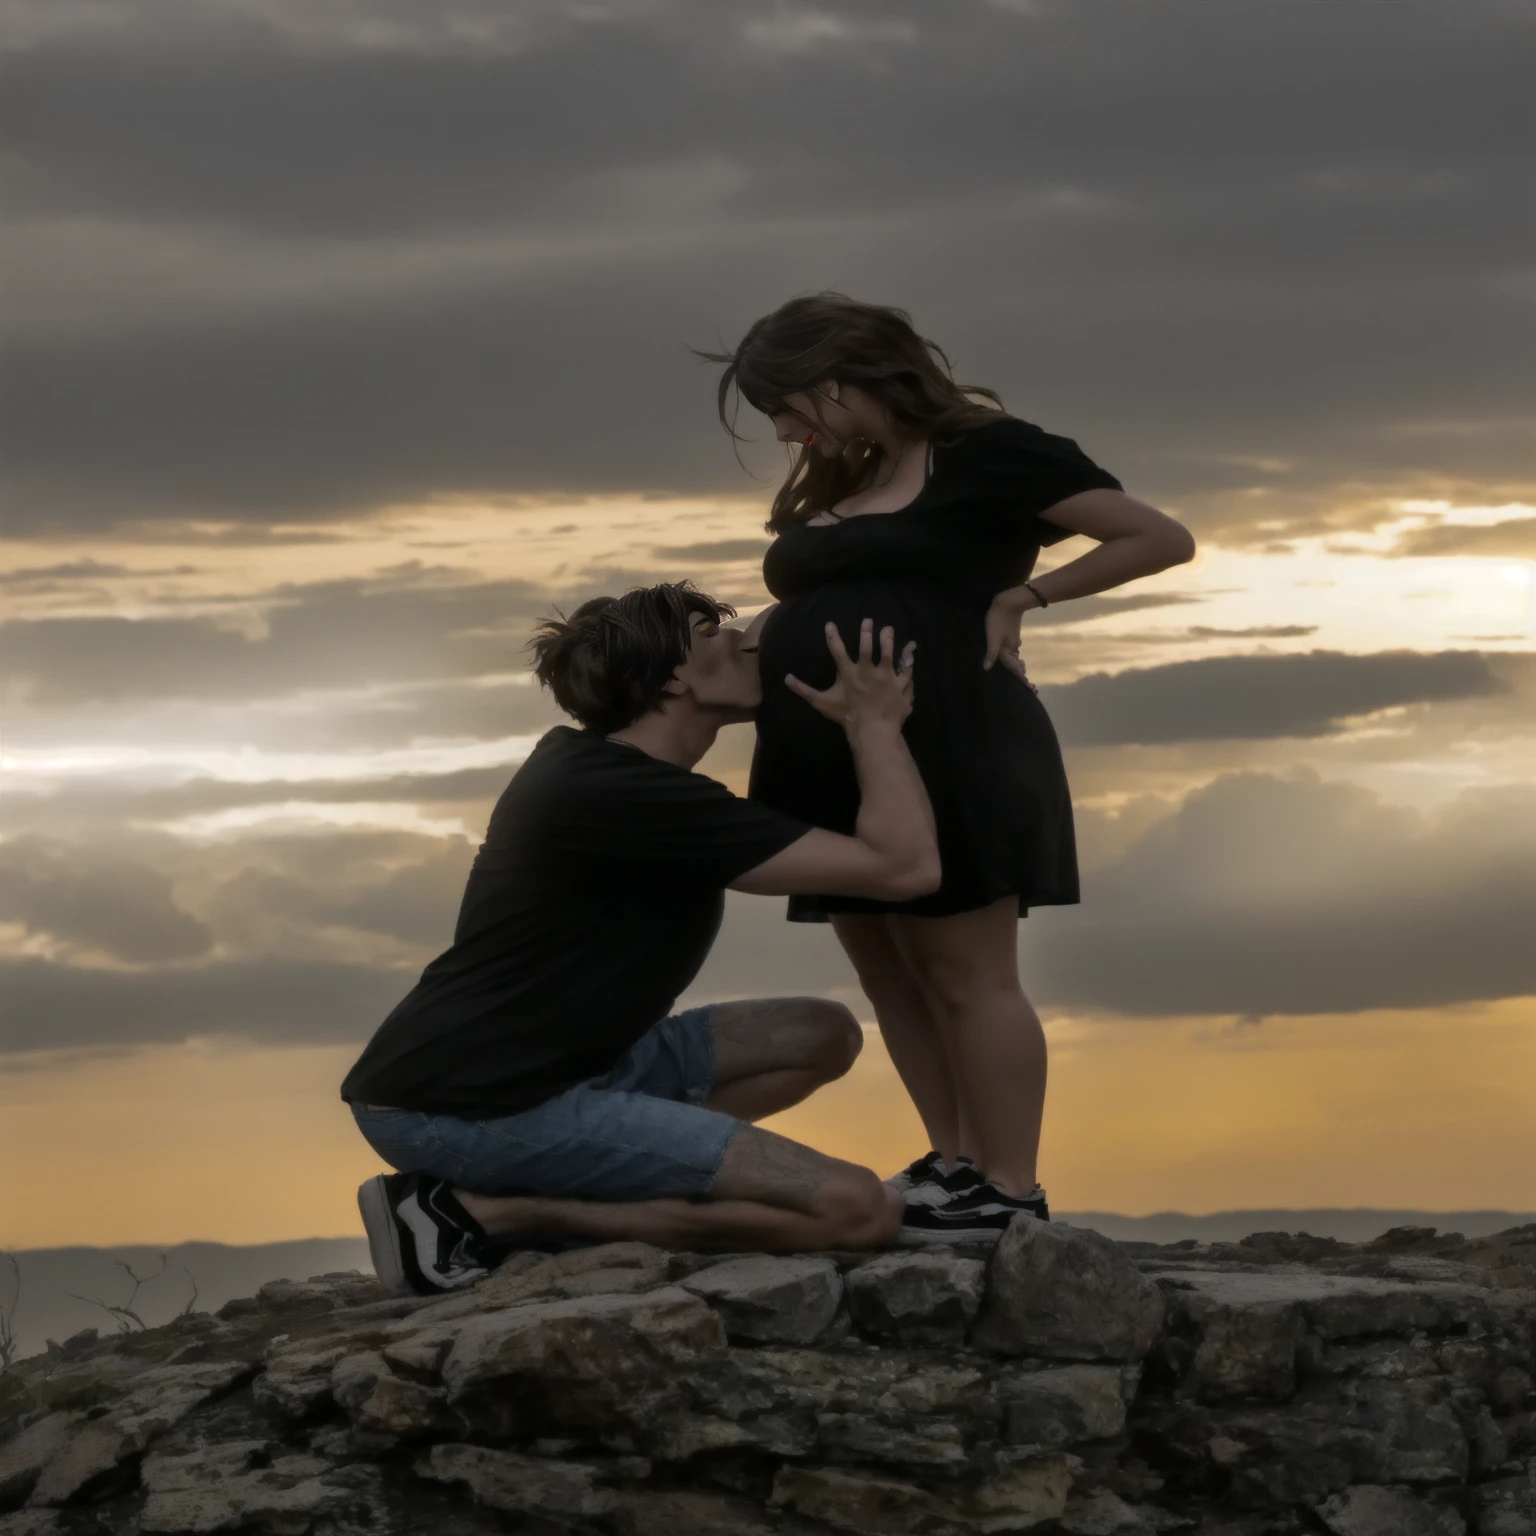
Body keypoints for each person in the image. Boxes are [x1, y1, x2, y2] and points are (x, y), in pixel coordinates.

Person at [702, 293, 1197, 1241]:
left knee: (967, 972)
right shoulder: (835, 477)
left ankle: (1009, 1185)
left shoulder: (990, 453)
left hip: (953, 742)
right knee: (892, 972)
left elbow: (1157, 537)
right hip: (829, 755)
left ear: (843, 375)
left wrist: (1025, 595)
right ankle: (953, 1165)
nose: (778, 428)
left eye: (785, 401)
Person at [341, 581, 942, 1295]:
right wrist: (874, 726)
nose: (746, 639)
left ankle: (629, 1168)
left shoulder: (617, 778)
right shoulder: (624, 795)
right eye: (713, 632)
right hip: (467, 1106)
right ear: (676, 675)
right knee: (860, 1212)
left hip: (562, 1069)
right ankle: (489, 1211)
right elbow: (905, 868)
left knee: (823, 1032)